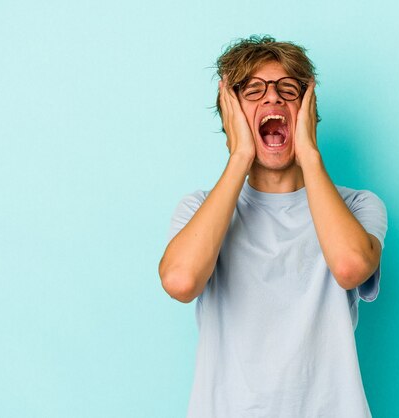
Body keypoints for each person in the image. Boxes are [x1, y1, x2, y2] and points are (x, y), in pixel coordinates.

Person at [159, 35, 387, 418]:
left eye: (288, 90)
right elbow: (181, 281)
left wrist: (310, 153)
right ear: (230, 115)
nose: (273, 99)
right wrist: (240, 156)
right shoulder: (198, 209)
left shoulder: (358, 205)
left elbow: (350, 268)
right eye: (253, 91)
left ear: (309, 111)